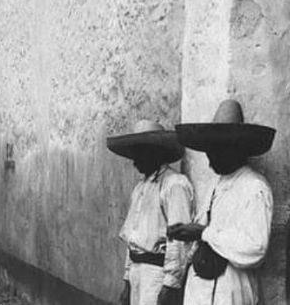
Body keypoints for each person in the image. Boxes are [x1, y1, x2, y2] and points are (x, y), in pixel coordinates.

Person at [169, 99, 275, 305]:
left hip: (230, 292)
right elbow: (203, 229)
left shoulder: (254, 188)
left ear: (235, 149)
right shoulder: (216, 186)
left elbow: (255, 248)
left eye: (215, 152)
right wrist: (186, 233)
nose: (209, 161)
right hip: (200, 290)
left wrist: (203, 233)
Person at [108, 120, 195, 305]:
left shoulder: (175, 184)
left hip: (157, 273)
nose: (134, 161)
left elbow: (179, 241)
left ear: (155, 152)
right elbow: (133, 237)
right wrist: (127, 280)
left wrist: (170, 285)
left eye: (140, 153)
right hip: (137, 272)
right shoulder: (140, 188)